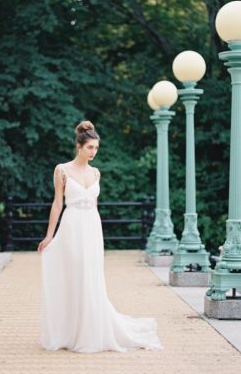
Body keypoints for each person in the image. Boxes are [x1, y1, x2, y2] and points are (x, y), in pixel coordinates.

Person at [37, 120, 163, 353]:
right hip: (71, 225)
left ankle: (92, 329)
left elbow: (94, 205)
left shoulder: (96, 173)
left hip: (92, 227)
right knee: (75, 274)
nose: (93, 152)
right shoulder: (62, 170)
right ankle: (71, 331)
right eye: (90, 148)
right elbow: (57, 204)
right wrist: (49, 236)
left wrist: (96, 232)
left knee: (92, 276)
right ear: (79, 146)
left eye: (96, 148)